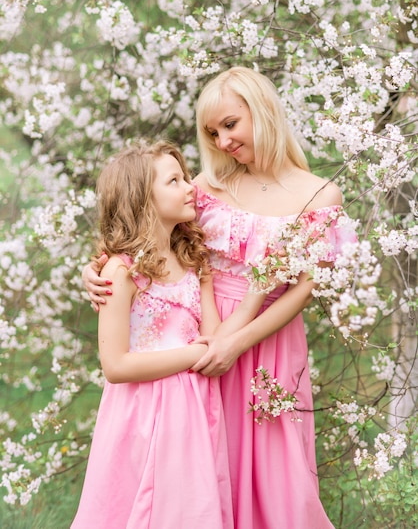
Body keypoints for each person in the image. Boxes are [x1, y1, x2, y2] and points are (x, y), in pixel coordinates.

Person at [84, 67, 356, 528]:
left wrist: (238, 340)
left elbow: (304, 290)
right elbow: (151, 244)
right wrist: (95, 268)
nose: (223, 141)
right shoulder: (207, 190)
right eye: (212, 132)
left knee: (278, 476)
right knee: (203, 463)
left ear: (263, 111)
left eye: (231, 124)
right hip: (201, 337)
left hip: (268, 340)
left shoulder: (319, 194)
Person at [72, 139, 264, 529]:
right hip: (140, 412)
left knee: (186, 509)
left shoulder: (194, 262)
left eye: (187, 177)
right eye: (174, 181)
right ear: (142, 198)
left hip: (192, 409)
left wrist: (251, 293)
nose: (190, 186)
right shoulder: (120, 272)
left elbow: (211, 337)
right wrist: (193, 356)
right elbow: (115, 365)